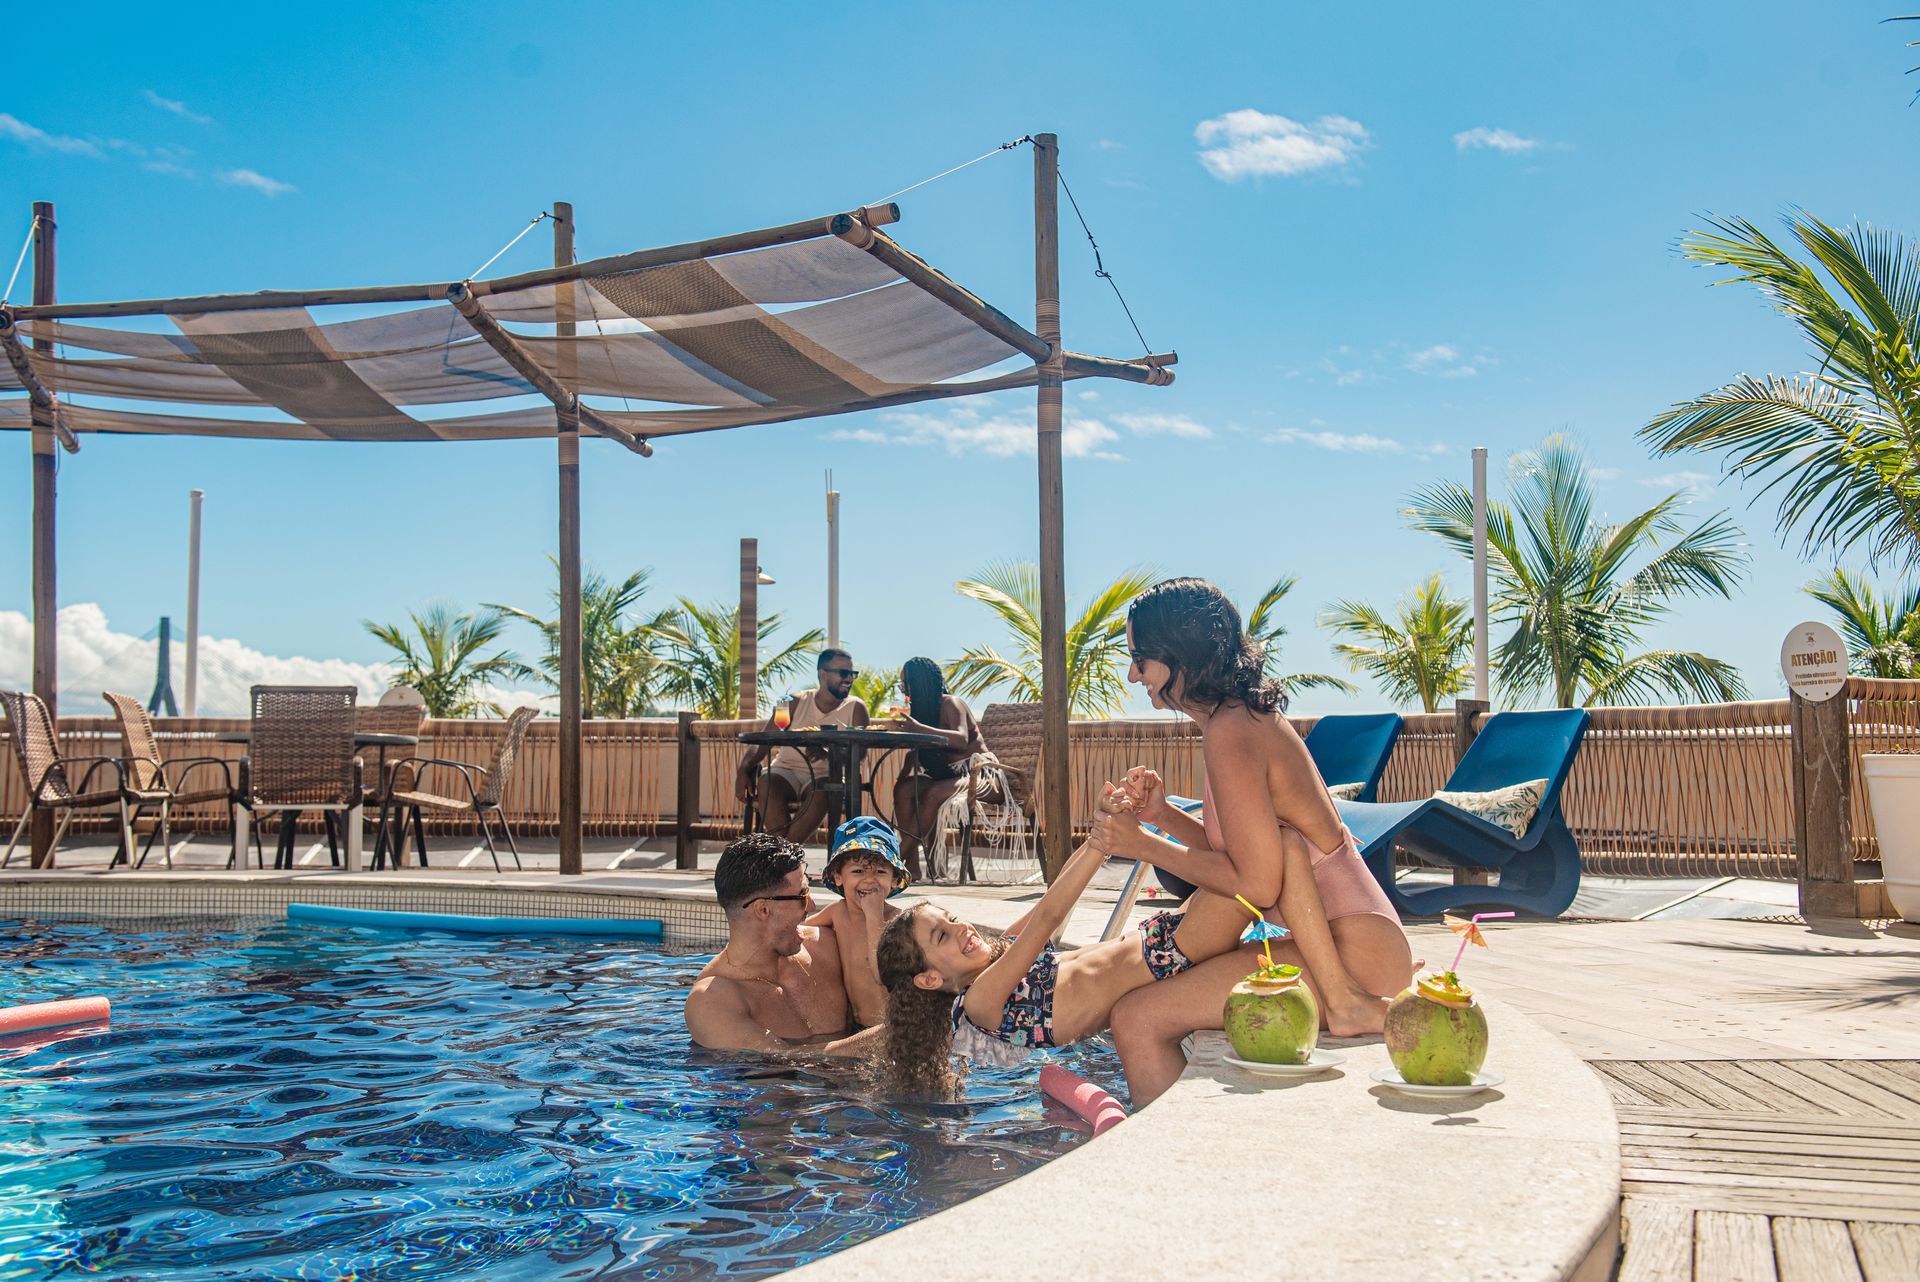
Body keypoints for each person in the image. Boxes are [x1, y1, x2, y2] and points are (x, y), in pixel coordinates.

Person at [1098, 577, 1415, 1104]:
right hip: (1348, 942)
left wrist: (1144, 845)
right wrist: (1163, 818)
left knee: (1138, 1018)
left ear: (1180, 654)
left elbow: (1257, 884)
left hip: (1356, 954)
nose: (1133, 674)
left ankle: (1167, 1154)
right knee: (1144, 1007)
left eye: (1140, 658)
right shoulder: (1236, 719)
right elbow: (1248, 857)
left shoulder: (1232, 730)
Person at [872, 785, 1255, 1097]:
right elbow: (1048, 918)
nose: (960, 928)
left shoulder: (1003, 956)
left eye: (952, 918)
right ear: (928, 979)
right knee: (1248, 864)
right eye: (942, 935)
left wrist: (1100, 828)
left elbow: (1050, 901)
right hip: (1172, 955)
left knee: (1240, 864)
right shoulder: (980, 1003)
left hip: (1164, 940)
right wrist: (1103, 842)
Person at [684, 831, 872, 1054]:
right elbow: (784, 1061)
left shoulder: (827, 944)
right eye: (802, 895)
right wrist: (889, 1035)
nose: (812, 906)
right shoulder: (711, 1002)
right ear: (763, 909)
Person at [736, 648, 870, 842]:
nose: (849, 678)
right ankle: (786, 854)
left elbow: (861, 754)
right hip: (785, 770)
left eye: (852, 673)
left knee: (825, 789)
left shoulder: (856, 708)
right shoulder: (794, 702)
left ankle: (782, 854)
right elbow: (764, 740)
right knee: (766, 781)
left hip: (825, 775)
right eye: (843, 673)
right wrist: (743, 769)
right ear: (822, 674)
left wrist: (827, 754)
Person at [883, 656, 987, 881]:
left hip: (980, 775)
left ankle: (896, 857)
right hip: (947, 778)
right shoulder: (924, 713)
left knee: (934, 792)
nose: (903, 691)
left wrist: (919, 728)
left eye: (906, 684)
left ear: (920, 684)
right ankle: (912, 867)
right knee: (904, 788)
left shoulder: (951, 703)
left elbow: (960, 739)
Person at [803, 816, 910, 1029]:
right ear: (838, 877)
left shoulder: (899, 921)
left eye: (880, 871)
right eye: (858, 871)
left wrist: (874, 915)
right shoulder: (837, 912)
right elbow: (799, 930)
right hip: (855, 1026)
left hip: (894, 1028)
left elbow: (884, 973)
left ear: (894, 880)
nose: (869, 879)